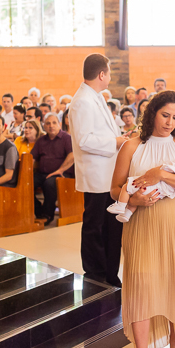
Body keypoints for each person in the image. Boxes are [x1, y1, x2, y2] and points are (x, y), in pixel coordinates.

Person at [111, 91, 175, 348]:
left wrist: (161, 174)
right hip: (141, 222)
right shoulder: (132, 145)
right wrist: (134, 198)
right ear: (152, 113)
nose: (170, 122)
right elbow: (114, 187)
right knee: (141, 282)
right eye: (165, 115)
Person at [68, 54, 128, 286]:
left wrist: (120, 138)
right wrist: (116, 142)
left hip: (108, 173)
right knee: (96, 227)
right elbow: (84, 140)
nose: (110, 77)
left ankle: (110, 274)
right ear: (101, 74)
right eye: (109, 72)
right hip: (96, 176)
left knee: (111, 228)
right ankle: (95, 274)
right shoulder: (82, 100)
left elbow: (102, 133)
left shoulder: (96, 97)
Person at [32, 113, 74, 225]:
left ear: (59, 124)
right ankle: (39, 211)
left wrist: (60, 170)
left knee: (49, 183)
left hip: (62, 174)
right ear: (44, 126)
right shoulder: (41, 140)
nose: (51, 126)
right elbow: (32, 158)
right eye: (48, 123)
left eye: (54, 123)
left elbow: (72, 155)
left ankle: (47, 215)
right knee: (26, 183)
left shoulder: (66, 138)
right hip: (42, 173)